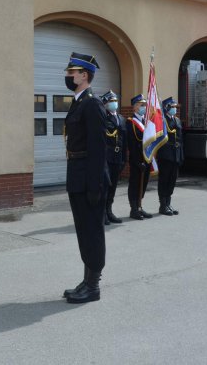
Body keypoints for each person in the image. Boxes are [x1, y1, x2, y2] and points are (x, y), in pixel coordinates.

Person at [61, 52, 108, 304]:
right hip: (77, 176)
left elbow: (99, 149)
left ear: (84, 75)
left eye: (71, 73)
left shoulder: (92, 104)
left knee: (92, 232)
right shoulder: (79, 102)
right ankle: (86, 280)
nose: (68, 76)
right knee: (83, 231)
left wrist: (95, 186)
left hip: (89, 180)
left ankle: (93, 286)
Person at [101, 90, 127, 225]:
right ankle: (103, 214)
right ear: (105, 104)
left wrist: (124, 159)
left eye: (115, 101)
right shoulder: (103, 118)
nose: (114, 103)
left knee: (113, 186)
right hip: (107, 157)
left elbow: (124, 140)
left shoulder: (122, 119)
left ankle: (109, 211)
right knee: (105, 186)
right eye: (111, 101)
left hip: (118, 156)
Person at [126, 94, 153, 220]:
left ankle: (140, 206)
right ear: (135, 107)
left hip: (146, 159)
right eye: (141, 105)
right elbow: (132, 144)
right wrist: (138, 162)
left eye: (145, 105)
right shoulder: (130, 122)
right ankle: (133, 209)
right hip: (137, 160)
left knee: (144, 183)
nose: (144, 107)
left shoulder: (146, 121)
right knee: (135, 184)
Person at [156, 97, 183, 215]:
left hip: (176, 153)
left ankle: (168, 203)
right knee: (164, 180)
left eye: (175, 107)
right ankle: (162, 205)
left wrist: (181, 156)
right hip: (166, 154)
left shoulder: (177, 120)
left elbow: (181, 139)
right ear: (166, 108)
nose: (174, 109)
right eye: (172, 107)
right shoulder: (162, 120)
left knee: (172, 180)